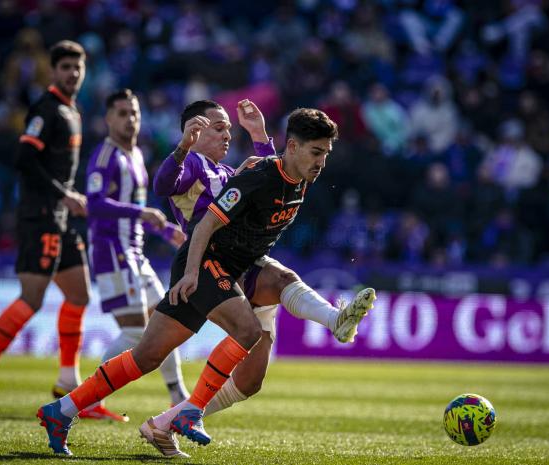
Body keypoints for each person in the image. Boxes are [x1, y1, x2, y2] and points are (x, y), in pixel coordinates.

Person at [37, 107, 376, 456]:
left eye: (229, 129)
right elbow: (169, 187)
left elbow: (275, 173)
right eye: (219, 128)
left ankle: (61, 411)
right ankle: (190, 411)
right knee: (247, 330)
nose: (228, 135)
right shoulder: (197, 164)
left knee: (146, 356)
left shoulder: (247, 172)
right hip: (205, 262)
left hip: (234, 264)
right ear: (195, 133)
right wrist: (184, 148)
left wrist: (258, 133)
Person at [0, 40, 90, 415]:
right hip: (40, 216)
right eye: (65, 67)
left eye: (77, 67)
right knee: (32, 298)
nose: (72, 73)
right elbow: (24, 159)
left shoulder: (72, 110)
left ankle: (68, 378)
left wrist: (66, 196)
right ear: (53, 72)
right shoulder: (46, 109)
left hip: (60, 217)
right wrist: (63, 194)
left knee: (79, 294)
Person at [82, 89, 189, 422]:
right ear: (108, 119)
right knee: (135, 334)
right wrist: (143, 215)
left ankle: (178, 395)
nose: (130, 119)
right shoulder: (105, 156)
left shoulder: (137, 155)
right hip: (112, 253)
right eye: (123, 113)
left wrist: (164, 229)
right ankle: (85, 399)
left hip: (134, 253)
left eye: (135, 113)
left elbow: (137, 212)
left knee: (165, 323)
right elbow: (95, 204)